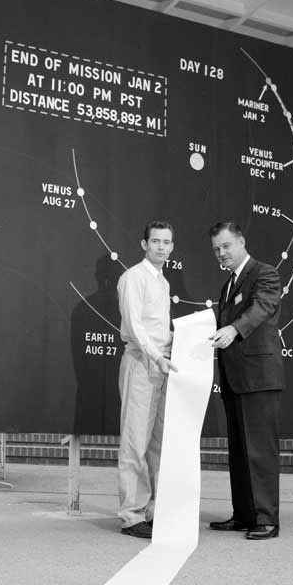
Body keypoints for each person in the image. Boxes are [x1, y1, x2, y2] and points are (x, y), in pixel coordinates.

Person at [208, 221, 284, 540]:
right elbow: (217, 326)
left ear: (241, 241)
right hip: (234, 378)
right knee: (239, 451)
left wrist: (234, 329)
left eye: (226, 246)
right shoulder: (227, 286)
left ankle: (266, 518)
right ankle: (243, 514)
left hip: (259, 377)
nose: (221, 253)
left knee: (260, 450)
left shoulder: (265, 273)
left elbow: (261, 308)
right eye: (216, 249)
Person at [116, 221, 177, 539]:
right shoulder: (133, 278)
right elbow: (136, 327)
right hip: (142, 363)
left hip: (161, 365)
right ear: (144, 244)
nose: (161, 247)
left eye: (167, 242)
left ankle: (151, 510)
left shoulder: (163, 282)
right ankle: (131, 515)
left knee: (156, 443)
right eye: (156, 241)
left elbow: (158, 328)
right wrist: (157, 357)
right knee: (134, 441)